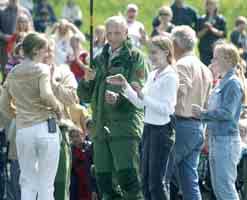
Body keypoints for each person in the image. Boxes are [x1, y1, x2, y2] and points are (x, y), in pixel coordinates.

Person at [78, 16, 149, 200]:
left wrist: (119, 98)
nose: (112, 37)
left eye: (117, 33)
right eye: (109, 33)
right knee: (104, 182)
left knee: (128, 180)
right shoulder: (99, 58)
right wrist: (87, 80)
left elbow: (138, 91)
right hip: (101, 129)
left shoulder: (135, 57)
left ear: (126, 33)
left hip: (124, 127)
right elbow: (84, 96)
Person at [107, 35, 178, 200]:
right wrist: (125, 86)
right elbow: (140, 103)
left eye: (155, 53)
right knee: (145, 181)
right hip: (149, 128)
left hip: (162, 131)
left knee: (156, 182)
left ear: (166, 52)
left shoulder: (170, 76)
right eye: (150, 53)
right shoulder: (153, 73)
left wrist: (142, 96)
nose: (151, 56)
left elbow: (167, 109)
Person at [0, 32, 61, 200]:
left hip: (24, 130)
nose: (47, 54)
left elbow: (3, 104)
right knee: (46, 184)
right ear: (36, 50)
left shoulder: (12, 72)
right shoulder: (42, 69)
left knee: (27, 182)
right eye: (45, 50)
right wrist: (58, 108)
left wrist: (16, 114)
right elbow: (46, 94)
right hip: (45, 127)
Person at [192, 43, 247, 200]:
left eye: (216, 58)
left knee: (225, 188)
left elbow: (227, 113)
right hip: (218, 140)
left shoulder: (233, 83)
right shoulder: (222, 82)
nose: (212, 61)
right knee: (218, 188)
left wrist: (203, 113)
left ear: (228, 60)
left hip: (226, 141)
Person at [167, 25, 212, 200]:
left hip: (181, 126)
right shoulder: (205, 68)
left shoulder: (181, 65)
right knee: (189, 182)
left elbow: (181, 90)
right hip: (197, 128)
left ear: (176, 44)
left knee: (160, 174)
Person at [43, 38, 79, 200]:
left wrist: (52, 83)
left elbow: (72, 99)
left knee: (59, 184)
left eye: (48, 50)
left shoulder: (63, 71)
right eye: (41, 50)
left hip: (58, 131)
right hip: (31, 131)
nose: (45, 54)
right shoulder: (24, 72)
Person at [0, 0, 32, 82]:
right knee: (7, 72)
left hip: (24, 46)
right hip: (5, 47)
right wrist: (5, 36)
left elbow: (31, 28)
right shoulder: (2, 11)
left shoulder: (25, 11)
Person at [69, 127, 98, 200]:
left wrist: (94, 189)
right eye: (72, 137)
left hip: (90, 182)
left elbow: (94, 168)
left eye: (77, 136)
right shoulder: (70, 150)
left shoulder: (90, 147)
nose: (75, 139)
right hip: (76, 185)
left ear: (83, 135)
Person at [197, 0, 227, 66]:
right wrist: (206, 29)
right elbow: (198, 35)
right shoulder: (201, 19)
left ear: (216, 5)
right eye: (208, 4)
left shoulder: (221, 19)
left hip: (218, 49)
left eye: (212, 4)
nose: (210, 6)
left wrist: (212, 29)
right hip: (204, 49)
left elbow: (223, 34)